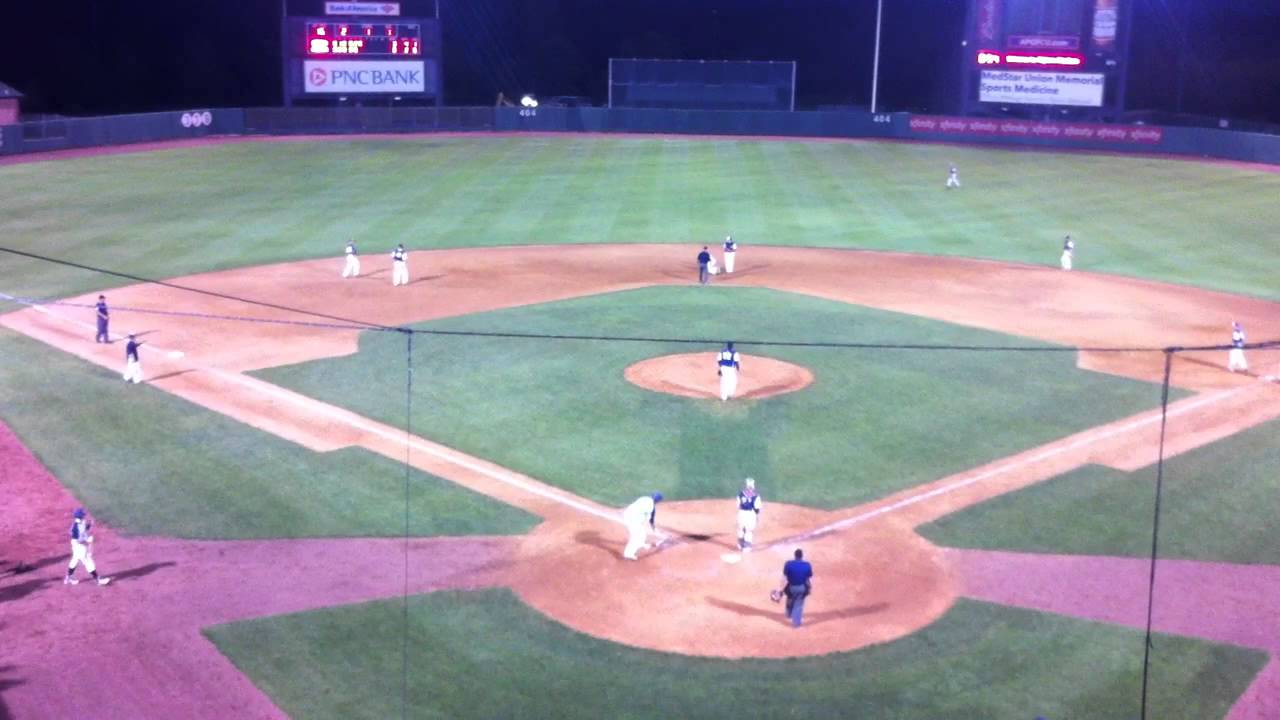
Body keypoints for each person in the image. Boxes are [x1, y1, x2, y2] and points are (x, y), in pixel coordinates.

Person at [65, 508, 110, 586]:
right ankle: (98, 580)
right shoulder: (76, 527)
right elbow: (78, 539)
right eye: (83, 515)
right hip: (79, 546)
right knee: (88, 562)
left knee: (75, 560)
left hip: (77, 545)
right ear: (80, 516)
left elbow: (83, 529)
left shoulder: (79, 523)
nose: (84, 516)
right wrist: (87, 540)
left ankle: (68, 578)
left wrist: (90, 525)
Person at [777, 548, 813, 627]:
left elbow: (784, 578)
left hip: (791, 587)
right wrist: (810, 588)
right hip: (801, 588)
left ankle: (789, 613)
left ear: (795, 556)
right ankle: (796, 623)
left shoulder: (788, 564)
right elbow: (809, 579)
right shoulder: (807, 565)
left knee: (790, 597)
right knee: (799, 604)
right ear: (802, 556)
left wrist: (780, 589)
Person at [621, 492, 663, 560]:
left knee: (641, 534)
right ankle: (628, 554)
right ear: (657, 501)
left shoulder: (644, 498)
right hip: (633, 520)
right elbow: (650, 519)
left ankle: (641, 544)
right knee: (637, 536)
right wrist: (654, 528)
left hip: (627, 514)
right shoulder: (651, 506)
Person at [736, 477, 762, 551]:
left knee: (741, 529)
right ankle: (746, 548)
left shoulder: (740, 494)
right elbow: (757, 508)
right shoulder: (756, 495)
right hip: (750, 514)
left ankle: (740, 545)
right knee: (748, 531)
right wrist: (756, 515)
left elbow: (738, 505)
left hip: (741, 513)